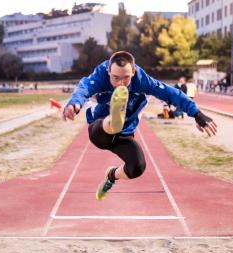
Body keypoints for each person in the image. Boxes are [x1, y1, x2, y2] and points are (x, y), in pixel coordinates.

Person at [62, 51, 217, 201]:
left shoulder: (141, 80)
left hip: (125, 134)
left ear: (134, 72)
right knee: (104, 129)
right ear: (109, 71)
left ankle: (111, 175)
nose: (120, 83)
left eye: (126, 78)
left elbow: (171, 93)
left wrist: (197, 114)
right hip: (99, 129)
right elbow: (83, 88)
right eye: (116, 78)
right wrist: (74, 104)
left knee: (137, 167)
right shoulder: (100, 76)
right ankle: (113, 120)